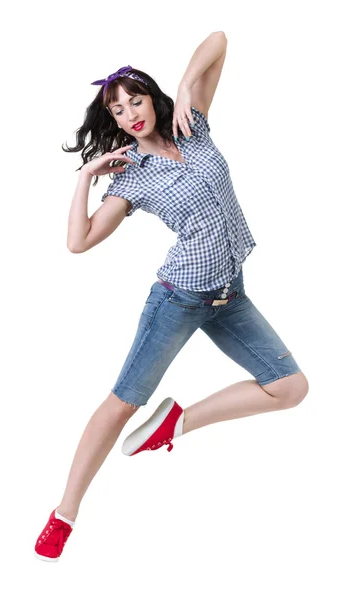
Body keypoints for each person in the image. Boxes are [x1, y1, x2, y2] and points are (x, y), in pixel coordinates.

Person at [34, 33, 309, 562]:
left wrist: (185, 87)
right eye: (118, 110)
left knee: (291, 387)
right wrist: (87, 177)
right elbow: (79, 241)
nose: (130, 114)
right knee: (121, 403)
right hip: (179, 297)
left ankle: (175, 424)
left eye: (135, 100)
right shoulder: (130, 177)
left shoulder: (194, 125)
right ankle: (64, 513)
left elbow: (219, 40)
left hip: (230, 292)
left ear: (151, 98)